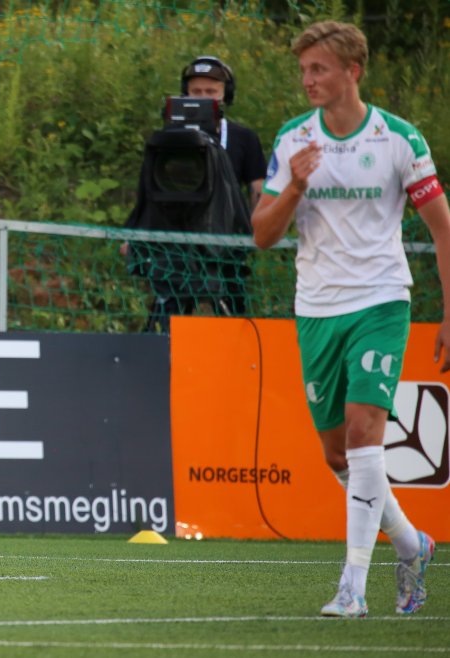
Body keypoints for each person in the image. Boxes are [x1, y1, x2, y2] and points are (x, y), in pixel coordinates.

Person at [252, 21, 447, 617]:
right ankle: (412, 544)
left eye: (319, 69)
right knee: (337, 456)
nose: (308, 80)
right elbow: (262, 235)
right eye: (304, 70)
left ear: (353, 71)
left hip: (381, 300)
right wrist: (294, 187)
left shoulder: (399, 139)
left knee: (366, 433)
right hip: (316, 308)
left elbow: (442, 228)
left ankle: (352, 587)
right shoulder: (293, 140)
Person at [124, 56, 267, 332]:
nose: (203, 98)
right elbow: (151, 191)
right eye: (196, 92)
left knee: (233, 317)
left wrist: (255, 231)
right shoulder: (167, 139)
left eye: (211, 92)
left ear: (226, 94)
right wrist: (135, 234)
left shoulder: (243, 137)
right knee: (169, 319)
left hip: (225, 245)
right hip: (174, 246)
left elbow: (257, 188)